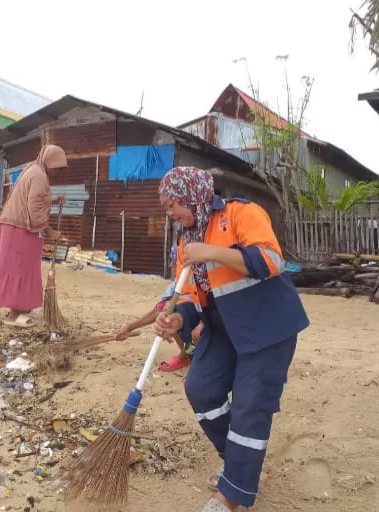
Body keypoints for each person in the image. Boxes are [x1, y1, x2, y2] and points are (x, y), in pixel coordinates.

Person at [152, 167, 309, 512]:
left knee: (250, 406)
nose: (170, 214)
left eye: (171, 205)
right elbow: (192, 295)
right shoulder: (185, 242)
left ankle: (233, 496)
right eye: (166, 208)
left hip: (267, 326)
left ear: (192, 194)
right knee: (201, 389)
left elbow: (271, 260)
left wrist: (211, 251)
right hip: (222, 328)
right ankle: (237, 462)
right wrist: (178, 317)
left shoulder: (240, 213)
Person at [0, 144, 67, 328]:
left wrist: (53, 201)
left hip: (20, 226)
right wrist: (51, 232)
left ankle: (21, 308)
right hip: (19, 228)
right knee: (18, 269)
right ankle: (13, 315)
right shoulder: (39, 176)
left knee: (25, 269)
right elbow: (35, 211)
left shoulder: (34, 169)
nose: (58, 172)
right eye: (57, 168)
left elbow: (33, 200)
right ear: (48, 162)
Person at [115, 281, 202, 371]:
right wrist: (129, 327)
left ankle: (192, 353)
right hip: (189, 321)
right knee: (169, 314)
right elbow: (157, 310)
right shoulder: (176, 284)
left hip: (207, 320)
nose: (171, 266)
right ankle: (186, 354)